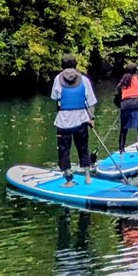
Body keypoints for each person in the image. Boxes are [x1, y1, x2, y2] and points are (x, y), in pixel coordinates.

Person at [50, 53, 97, 185]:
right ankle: (88, 177)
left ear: (62, 65)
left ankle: (69, 180)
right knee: (83, 148)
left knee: (64, 150)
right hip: (81, 121)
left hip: (63, 122)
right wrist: (91, 118)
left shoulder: (57, 79)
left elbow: (54, 97)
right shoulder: (84, 80)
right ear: (75, 65)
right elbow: (91, 102)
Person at [115, 61, 138, 154]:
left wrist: (120, 105)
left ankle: (121, 150)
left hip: (125, 105)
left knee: (124, 129)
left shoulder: (122, 81)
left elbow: (116, 95)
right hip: (137, 104)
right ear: (135, 71)